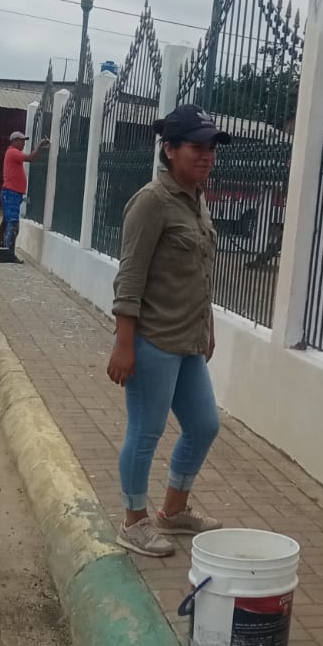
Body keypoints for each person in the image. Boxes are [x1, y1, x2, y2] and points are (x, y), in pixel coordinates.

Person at [108, 104, 228, 558]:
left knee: (204, 425)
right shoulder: (152, 202)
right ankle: (133, 522)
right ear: (170, 149)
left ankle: (173, 511)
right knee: (146, 432)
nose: (207, 155)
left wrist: (207, 325)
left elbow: (200, 271)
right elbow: (130, 277)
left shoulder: (196, 200)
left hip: (188, 341)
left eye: (212, 147)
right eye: (198, 147)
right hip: (153, 339)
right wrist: (124, 344)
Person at [0, 129, 49, 265]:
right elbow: (30, 158)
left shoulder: (12, 153)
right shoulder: (13, 152)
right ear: (14, 141)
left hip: (12, 194)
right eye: (21, 141)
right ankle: (7, 253)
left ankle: (2, 252)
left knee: (8, 223)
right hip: (11, 194)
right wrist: (40, 146)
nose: (23, 144)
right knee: (12, 224)